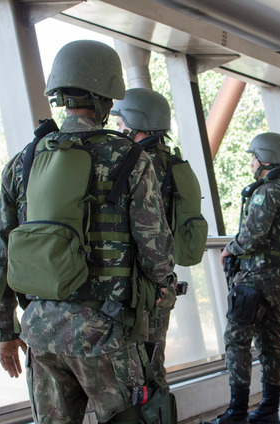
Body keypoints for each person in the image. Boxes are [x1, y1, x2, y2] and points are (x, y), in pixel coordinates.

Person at [0, 40, 174, 423]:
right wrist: (159, 300)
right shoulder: (131, 159)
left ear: (59, 94)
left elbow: (1, 256)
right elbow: (156, 251)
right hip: (105, 334)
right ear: (107, 95)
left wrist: (6, 330)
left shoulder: (23, 161)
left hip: (40, 332)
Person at [206, 133, 280, 424]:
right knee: (270, 342)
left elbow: (253, 236)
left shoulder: (268, 191)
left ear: (265, 159)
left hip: (257, 280)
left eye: (253, 156)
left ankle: (236, 413)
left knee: (237, 340)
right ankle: (269, 410)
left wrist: (229, 248)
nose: (250, 162)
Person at [111, 87, 187, 383]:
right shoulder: (168, 161)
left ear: (137, 122)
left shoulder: (142, 163)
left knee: (144, 372)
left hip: (145, 287)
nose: (119, 130)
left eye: (122, 124)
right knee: (152, 365)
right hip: (160, 283)